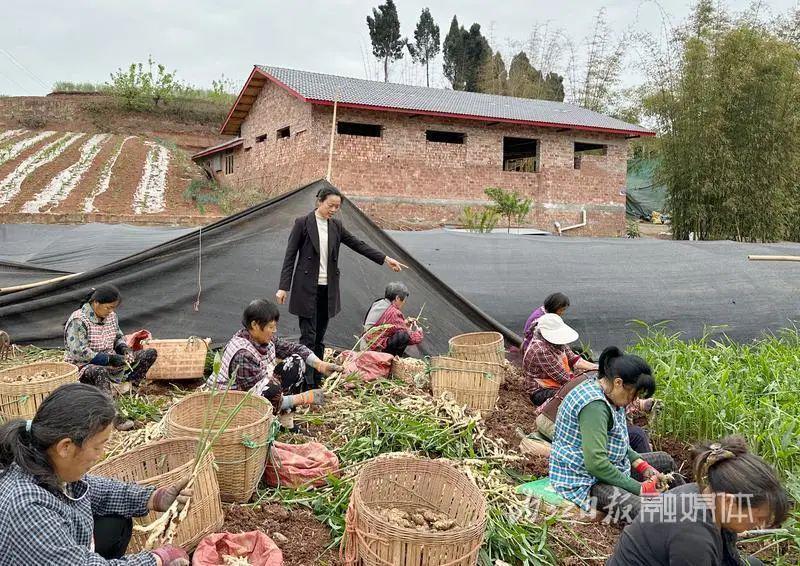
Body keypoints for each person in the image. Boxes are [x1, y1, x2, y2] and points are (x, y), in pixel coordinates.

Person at [0, 383, 192, 566]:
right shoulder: (27, 504)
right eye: (97, 446)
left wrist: (154, 498)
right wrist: (156, 560)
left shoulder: (46, 461)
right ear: (65, 447)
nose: (100, 455)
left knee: (117, 521)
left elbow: (100, 490)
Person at [277, 186, 403, 387]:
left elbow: (358, 244)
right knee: (308, 338)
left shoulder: (336, 226)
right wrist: (283, 287)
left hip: (328, 291)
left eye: (337, 207)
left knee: (319, 337)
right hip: (306, 290)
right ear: (319, 202)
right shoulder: (302, 223)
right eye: (330, 205)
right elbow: (290, 256)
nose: (334, 210)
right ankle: (305, 381)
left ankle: (315, 379)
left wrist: (385, 258)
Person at [549, 346, 684, 522]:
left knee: (664, 461)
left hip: (610, 466)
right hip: (586, 479)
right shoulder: (594, 406)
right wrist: (640, 489)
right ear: (619, 383)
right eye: (633, 395)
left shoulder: (610, 394)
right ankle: (675, 521)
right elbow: (596, 465)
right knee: (650, 512)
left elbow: (618, 440)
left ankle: (688, 506)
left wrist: (643, 466)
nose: (634, 400)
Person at [609, 436, 791, 565]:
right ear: (729, 502)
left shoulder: (701, 495)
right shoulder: (695, 540)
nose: (758, 525)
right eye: (757, 518)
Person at [207, 299, 342, 421]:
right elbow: (258, 398)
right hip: (229, 404)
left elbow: (293, 348)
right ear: (254, 325)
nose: (274, 331)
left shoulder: (263, 338)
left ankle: (286, 422)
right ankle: (267, 423)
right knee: (272, 388)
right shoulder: (242, 355)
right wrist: (304, 398)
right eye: (271, 327)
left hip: (258, 388)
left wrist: (320, 365)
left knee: (296, 362)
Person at [64, 284, 158, 394]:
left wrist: (124, 348)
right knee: (99, 371)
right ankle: (106, 400)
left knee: (150, 353)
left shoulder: (111, 316)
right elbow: (79, 352)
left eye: (113, 308)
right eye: (108, 307)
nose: (110, 311)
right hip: (85, 366)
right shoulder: (78, 320)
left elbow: (117, 337)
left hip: (110, 363)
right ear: (96, 303)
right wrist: (109, 359)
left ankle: (130, 388)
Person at [532, 372, 654, 454]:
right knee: (637, 435)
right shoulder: (601, 397)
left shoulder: (597, 378)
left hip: (548, 416)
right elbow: (618, 428)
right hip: (552, 424)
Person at [523, 313, 598, 406]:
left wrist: (597, 368)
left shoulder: (558, 343)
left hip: (557, 382)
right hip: (541, 390)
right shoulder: (540, 350)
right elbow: (564, 378)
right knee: (573, 396)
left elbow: (575, 360)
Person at [361, 282, 423, 356]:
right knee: (403, 336)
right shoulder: (394, 312)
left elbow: (389, 324)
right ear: (397, 298)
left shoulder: (378, 303)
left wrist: (404, 323)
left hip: (364, 343)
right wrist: (419, 333)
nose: (404, 303)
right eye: (403, 300)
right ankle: (391, 363)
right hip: (373, 350)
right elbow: (410, 338)